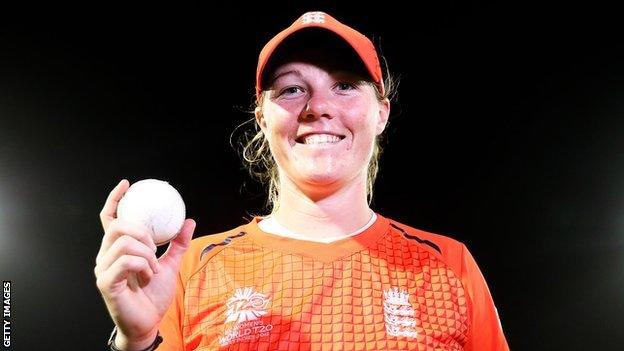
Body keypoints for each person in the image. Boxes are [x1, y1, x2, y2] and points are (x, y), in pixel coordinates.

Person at [95, 11, 510, 351]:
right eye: (292, 89)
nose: (319, 107)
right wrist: (137, 341)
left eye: (345, 85)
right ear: (262, 118)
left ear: (380, 113)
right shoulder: (186, 269)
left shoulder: (447, 265)